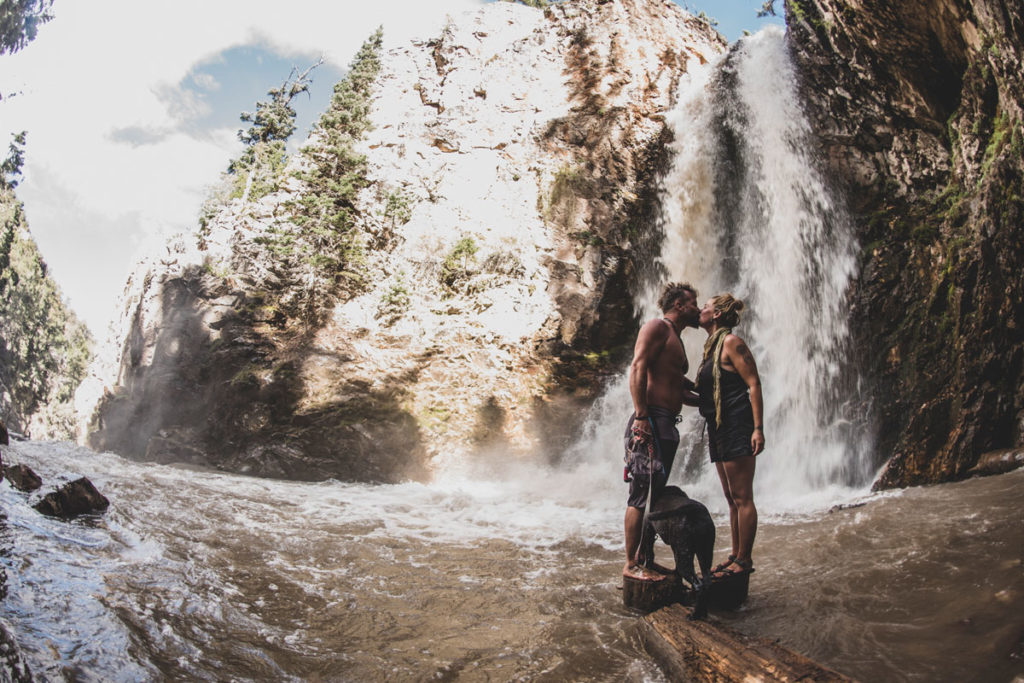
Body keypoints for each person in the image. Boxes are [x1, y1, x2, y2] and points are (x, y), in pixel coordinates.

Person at [623, 282, 701, 579]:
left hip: (667, 423)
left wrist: (714, 402)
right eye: (694, 302)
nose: (698, 308)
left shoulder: (676, 341)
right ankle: (630, 564)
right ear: (679, 305)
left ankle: (645, 557)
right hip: (650, 420)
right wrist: (642, 416)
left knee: (655, 496)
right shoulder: (657, 327)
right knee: (640, 494)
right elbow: (637, 367)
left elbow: (680, 393)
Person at [696, 293, 764, 577]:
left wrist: (758, 428)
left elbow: (754, 383)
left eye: (706, 307)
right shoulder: (711, 348)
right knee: (730, 496)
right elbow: (706, 393)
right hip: (718, 427)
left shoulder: (731, 343)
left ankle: (744, 560)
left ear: (718, 315)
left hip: (737, 424)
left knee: (742, 496)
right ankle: (735, 554)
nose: (701, 310)